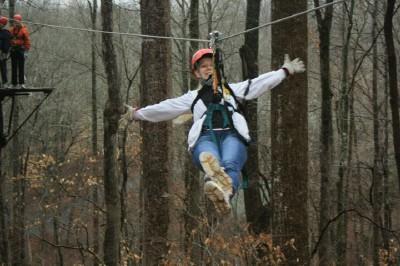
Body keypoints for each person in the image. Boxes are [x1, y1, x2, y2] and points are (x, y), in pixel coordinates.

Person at [122, 48, 305, 214]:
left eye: (211, 65)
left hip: (232, 135)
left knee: (231, 163)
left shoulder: (232, 90)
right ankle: (217, 176)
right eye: (203, 66)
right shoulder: (192, 97)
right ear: (196, 73)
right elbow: (165, 108)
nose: (208, 69)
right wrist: (136, 114)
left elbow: (258, 84)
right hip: (205, 137)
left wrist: (284, 71)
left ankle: (224, 193)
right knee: (210, 157)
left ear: (217, 69)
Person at [10, 14, 30, 89]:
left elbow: (27, 41)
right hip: (13, 50)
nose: (16, 23)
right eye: (15, 21)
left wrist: (26, 51)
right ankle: (14, 84)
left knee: (21, 67)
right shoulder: (11, 30)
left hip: (21, 50)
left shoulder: (24, 30)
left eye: (17, 21)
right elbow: (8, 38)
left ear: (20, 21)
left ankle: (22, 84)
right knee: (14, 67)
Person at [0, 16, 11, 88]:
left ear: (3, 24)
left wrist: (4, 52)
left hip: (2, 53)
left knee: (3, 68)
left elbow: (7, 44)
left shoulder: (6, 33)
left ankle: (5, 83)